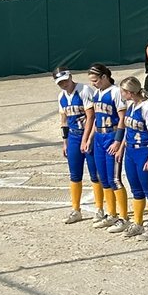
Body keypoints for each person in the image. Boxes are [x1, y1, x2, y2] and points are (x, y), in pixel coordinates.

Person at [85, 64, 128, 232]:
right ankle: (112, 214)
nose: (94, 84)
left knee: (114, 179)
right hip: (99, 137)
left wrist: (118, 141)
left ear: (104, 77)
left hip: (112, 135)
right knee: (103, 178)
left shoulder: (116, 92)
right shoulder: (97, 93)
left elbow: (123, 118)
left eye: (95, 80)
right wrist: (89, 138)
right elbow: (96, 119)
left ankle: (123, 217)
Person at [118, 77, 148, 240]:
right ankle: (138, 222)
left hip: (143, 151)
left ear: (130, 92)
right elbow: (128, 131)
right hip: (130, 151)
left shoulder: (147, 107)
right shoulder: (131, 105)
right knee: (135, 189)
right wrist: (121, 147)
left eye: (123, 91)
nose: (121, 94)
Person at [55, 69, 98, 225]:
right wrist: (65, 142)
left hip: (87, 135)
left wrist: (86, 139)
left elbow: (91, 116)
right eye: (60, 82)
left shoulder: (84, 90)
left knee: (95, 174)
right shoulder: (61, 96)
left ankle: (100, 209)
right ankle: (76, 209)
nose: (63, 84)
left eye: (65, 80)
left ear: (71, 77)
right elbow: (64, 120)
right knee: (75, 174)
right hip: (73, 136)